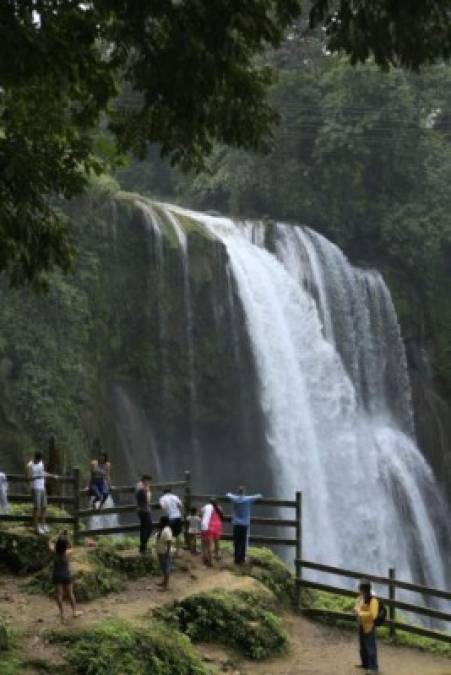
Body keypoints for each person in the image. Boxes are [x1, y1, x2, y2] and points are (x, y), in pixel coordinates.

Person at [49, 531, 82, 622]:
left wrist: (56, 536)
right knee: (70, 594)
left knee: (59, 595)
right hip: (66, 575)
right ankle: (74, 611)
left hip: (57, 575)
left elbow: (50, 542)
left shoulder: (54, 551)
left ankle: (62, 613)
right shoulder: (67, 553)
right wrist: (68, 539)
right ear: (65, 546)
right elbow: (72, 547)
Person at [226, 486, 262, 564]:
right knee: (243, 541)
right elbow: (259, 496)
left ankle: (236, 558)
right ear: (244, 492)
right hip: (244, 524)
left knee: (236, 541)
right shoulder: (248, 499)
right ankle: (242, 558)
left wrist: (231, 494)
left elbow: (228, 494)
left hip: (236, 523)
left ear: (238, 492)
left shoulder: (235, 498)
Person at [26, 452, 58, 534]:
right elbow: (28, 478)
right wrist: (38, 476)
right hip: (35, 488)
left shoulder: (41, 463)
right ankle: (36, 527)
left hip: (42, 487)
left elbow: (43, 472)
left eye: (40, 459)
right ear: (35, 458)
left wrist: (52, 475)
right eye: (38, 459)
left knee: (44, 507)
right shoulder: (30, 465)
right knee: (37, 508)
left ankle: (43, 524)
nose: (39, 461)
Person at [354, 578, 379, 673]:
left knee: (370, 646)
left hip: (369, 626)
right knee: (363, 646)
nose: (358, 590)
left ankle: (373, 668)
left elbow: (373, 615)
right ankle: (365, 664)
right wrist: (356, 609)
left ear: (364, 590)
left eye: (360, 588)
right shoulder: (362, 597)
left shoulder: (373, 600)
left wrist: (360, 613)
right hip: (361, 624)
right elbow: (358, 604)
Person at [200, 499, 224, 566]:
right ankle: (217, 555)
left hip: (209, 526)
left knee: (207, 545)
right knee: (217, 541)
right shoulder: (219, 508)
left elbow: (201, 514)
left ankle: (209, 561)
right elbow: (222, 516)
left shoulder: (206, 507)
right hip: (218, 525)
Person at [89, 444, 111, 510]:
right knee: (98, 496)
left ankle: (101, 505)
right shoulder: (94, 463)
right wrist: (88, 485)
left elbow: (108, 475)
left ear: (105, 457)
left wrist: (110, 485)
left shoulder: (107, 465)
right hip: (94, 482)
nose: (101, 458)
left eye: (103, 456)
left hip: (102, 482)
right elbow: (91, 473)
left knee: (106, 494)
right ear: (98, 456)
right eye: (100, 456)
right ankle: (93, 502)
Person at [154, 515, 174, 591]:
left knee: (166, 569)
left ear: (163, 522)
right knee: (163, 568)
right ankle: (164, 582)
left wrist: (167, 552)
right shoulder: (162, 529)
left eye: (160, 521)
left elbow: (169, 541)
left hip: (165, 552)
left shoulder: (166, 530)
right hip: (161, 552)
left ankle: (166, 586)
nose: (159, 522)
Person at [135, 474, 153, 554]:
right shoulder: (142, 488)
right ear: (145, 480)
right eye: (148, 481)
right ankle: (143, 547)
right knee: (148, 528)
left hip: (144, 510)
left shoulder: (141, 486)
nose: (149, 482)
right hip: (144, 510)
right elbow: (146, 500)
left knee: (145, 528)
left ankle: (143, 546)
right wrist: (147, 490)